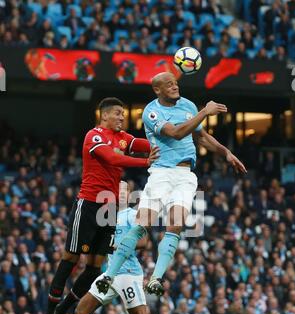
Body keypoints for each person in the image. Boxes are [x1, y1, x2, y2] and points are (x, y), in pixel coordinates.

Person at [96, 72, 246, 297]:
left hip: (186, 175)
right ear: (158, 90)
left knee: (175, 225)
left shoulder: (188, 106)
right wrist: (205, 111)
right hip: (161, 173)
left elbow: (200, 136)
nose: (175, 87)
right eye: (168, 85)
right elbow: (176, 133)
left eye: (175, 83)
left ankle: (155, 278)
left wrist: (226, 152)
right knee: (142, 225)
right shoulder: (151, 112)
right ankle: (109, 274)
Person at [41, 97, 158, 314]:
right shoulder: (94, 136)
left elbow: (146, 143)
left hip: (110, 208)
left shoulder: (124, 138)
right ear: (104, 115)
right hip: (89, 204)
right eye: (117, 113)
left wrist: (172, 141)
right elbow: (113, 159)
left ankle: (63, 310)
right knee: (70, 260)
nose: (121, 117)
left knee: (94, 268)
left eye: (122, 114)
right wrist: (146, 162)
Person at [75, 186, 184, 314]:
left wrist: (113, 245)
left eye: (125, 190)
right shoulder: (107, 215)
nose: (121, 192)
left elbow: (142, 242)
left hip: (128, 274)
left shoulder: (134, 214)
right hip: (110, 275)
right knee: (81, 311)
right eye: (118, 189)